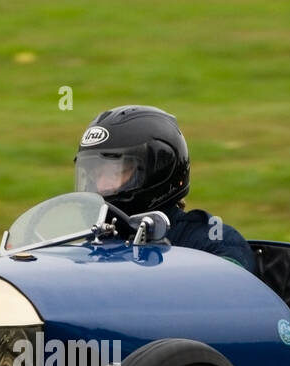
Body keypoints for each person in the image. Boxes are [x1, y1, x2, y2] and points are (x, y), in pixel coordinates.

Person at [73, 105, 255, 270]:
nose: (99, 185)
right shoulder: (94, 245)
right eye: (93, 174)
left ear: (158, 170)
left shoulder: (213, 243)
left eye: (114, 172)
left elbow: (232, 298)